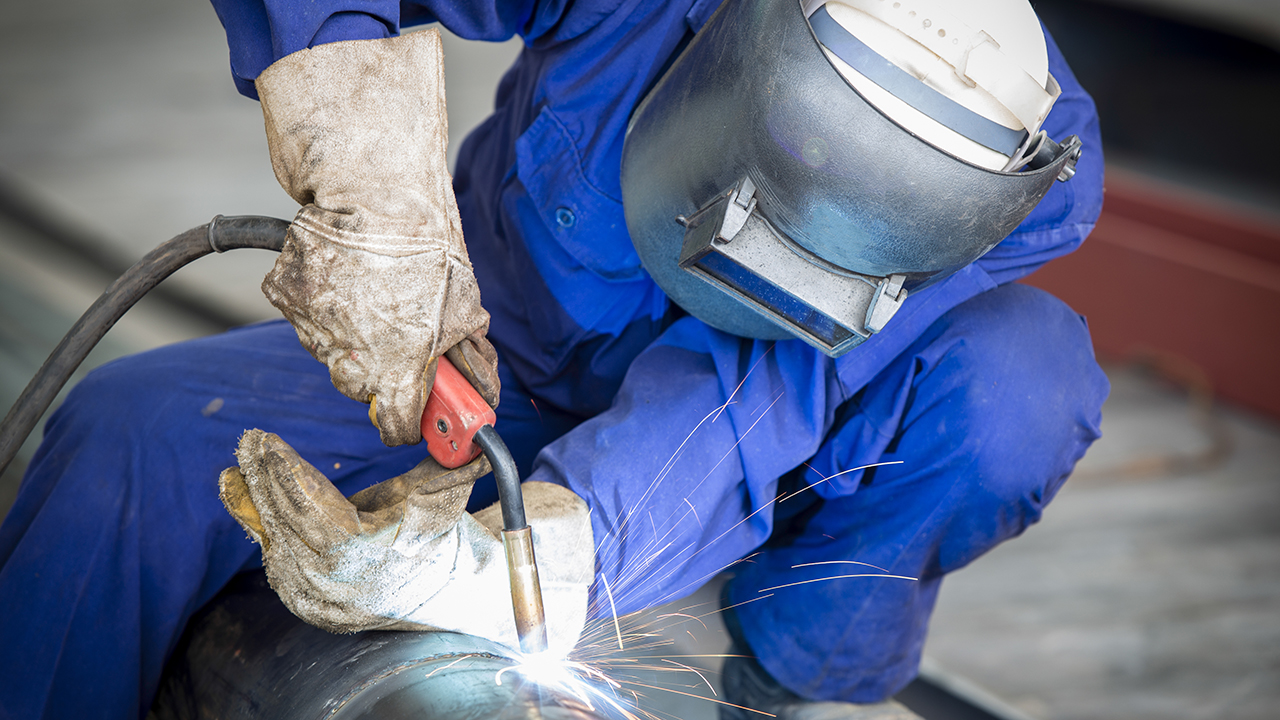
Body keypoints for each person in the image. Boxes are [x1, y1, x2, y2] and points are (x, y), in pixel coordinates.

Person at [0, 0, 1109, 718]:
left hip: (770, 449)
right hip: (491, 355)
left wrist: (557, 552)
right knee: (129, 435)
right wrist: (366, 180)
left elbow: (772, 380)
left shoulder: (1020, 173)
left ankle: (770, 666)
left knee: (1020, 378)